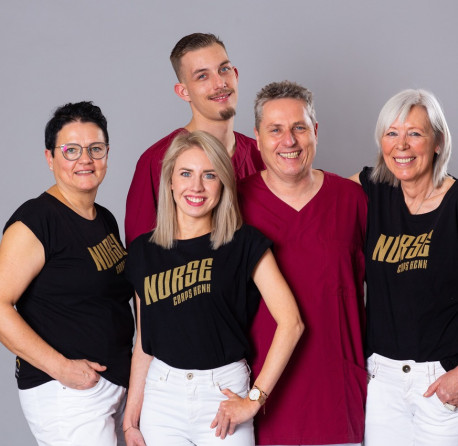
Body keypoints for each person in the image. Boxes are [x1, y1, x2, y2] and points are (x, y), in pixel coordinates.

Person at [122, 130, 303, 446]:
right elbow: (144, 342)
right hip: (161, 395)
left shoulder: (244, 243)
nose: (196, 186)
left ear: (223, 184)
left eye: (209, 175)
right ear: (170, 181)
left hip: (223, 392)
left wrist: (254, 399)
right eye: (186, 174)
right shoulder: (142, 252)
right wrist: (130, 418)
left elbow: (292, 323)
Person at [238, 81, 367, 446]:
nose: (289, 141)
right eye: (275, 130)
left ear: (315, 131)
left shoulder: (352, 200)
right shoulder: (235, 204)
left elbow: (400, 288)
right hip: (262, 400)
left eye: (299, 127)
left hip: (339, 399)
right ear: (257, 137)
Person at [0, 102, 134, 445]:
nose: (85, 159)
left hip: (114, 384)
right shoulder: (36, 221)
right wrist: (62, 369)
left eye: (95, 149)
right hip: (68, 393)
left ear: (107, 154)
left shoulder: (104, 218)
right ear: (50, 158)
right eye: (71, 150)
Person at [350, 89, 458, 446]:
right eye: (392, 133)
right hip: (382, 381)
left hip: (442, 381)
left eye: (415, 133)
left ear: (438, 141)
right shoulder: (371, 190)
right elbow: (313, 199)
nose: (402, 145)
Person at [124, 32, 264, 247]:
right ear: (183, 92)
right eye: (202, 76)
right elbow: (140, 253)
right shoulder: (157, 160)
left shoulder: (263, 155)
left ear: (235, 74)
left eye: (224, 69)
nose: (220, 83)